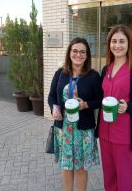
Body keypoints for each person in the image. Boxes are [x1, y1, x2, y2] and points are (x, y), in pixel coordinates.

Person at [96, 24, 132, 191]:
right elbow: (99, 97)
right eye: (114, 41)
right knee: (108, 175)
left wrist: (129, 107)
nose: (117, 45)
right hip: (105, 133)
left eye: (122, 41)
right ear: (109, 44)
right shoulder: (105, 69)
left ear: (129, 44)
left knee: (123, 177)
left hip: (125, 135)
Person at [48, 37, 102, 191]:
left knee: (81, 168)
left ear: (87, 55)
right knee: (66, 166)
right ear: (69, 53)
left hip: (83, 129)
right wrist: (54, 108)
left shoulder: (93, 76)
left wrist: (86, 104)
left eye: (82, 52)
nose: (78, 54)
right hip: (63, 128)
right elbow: (52, 96)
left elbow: (100, 100)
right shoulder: (60, 73)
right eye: (75, 51)